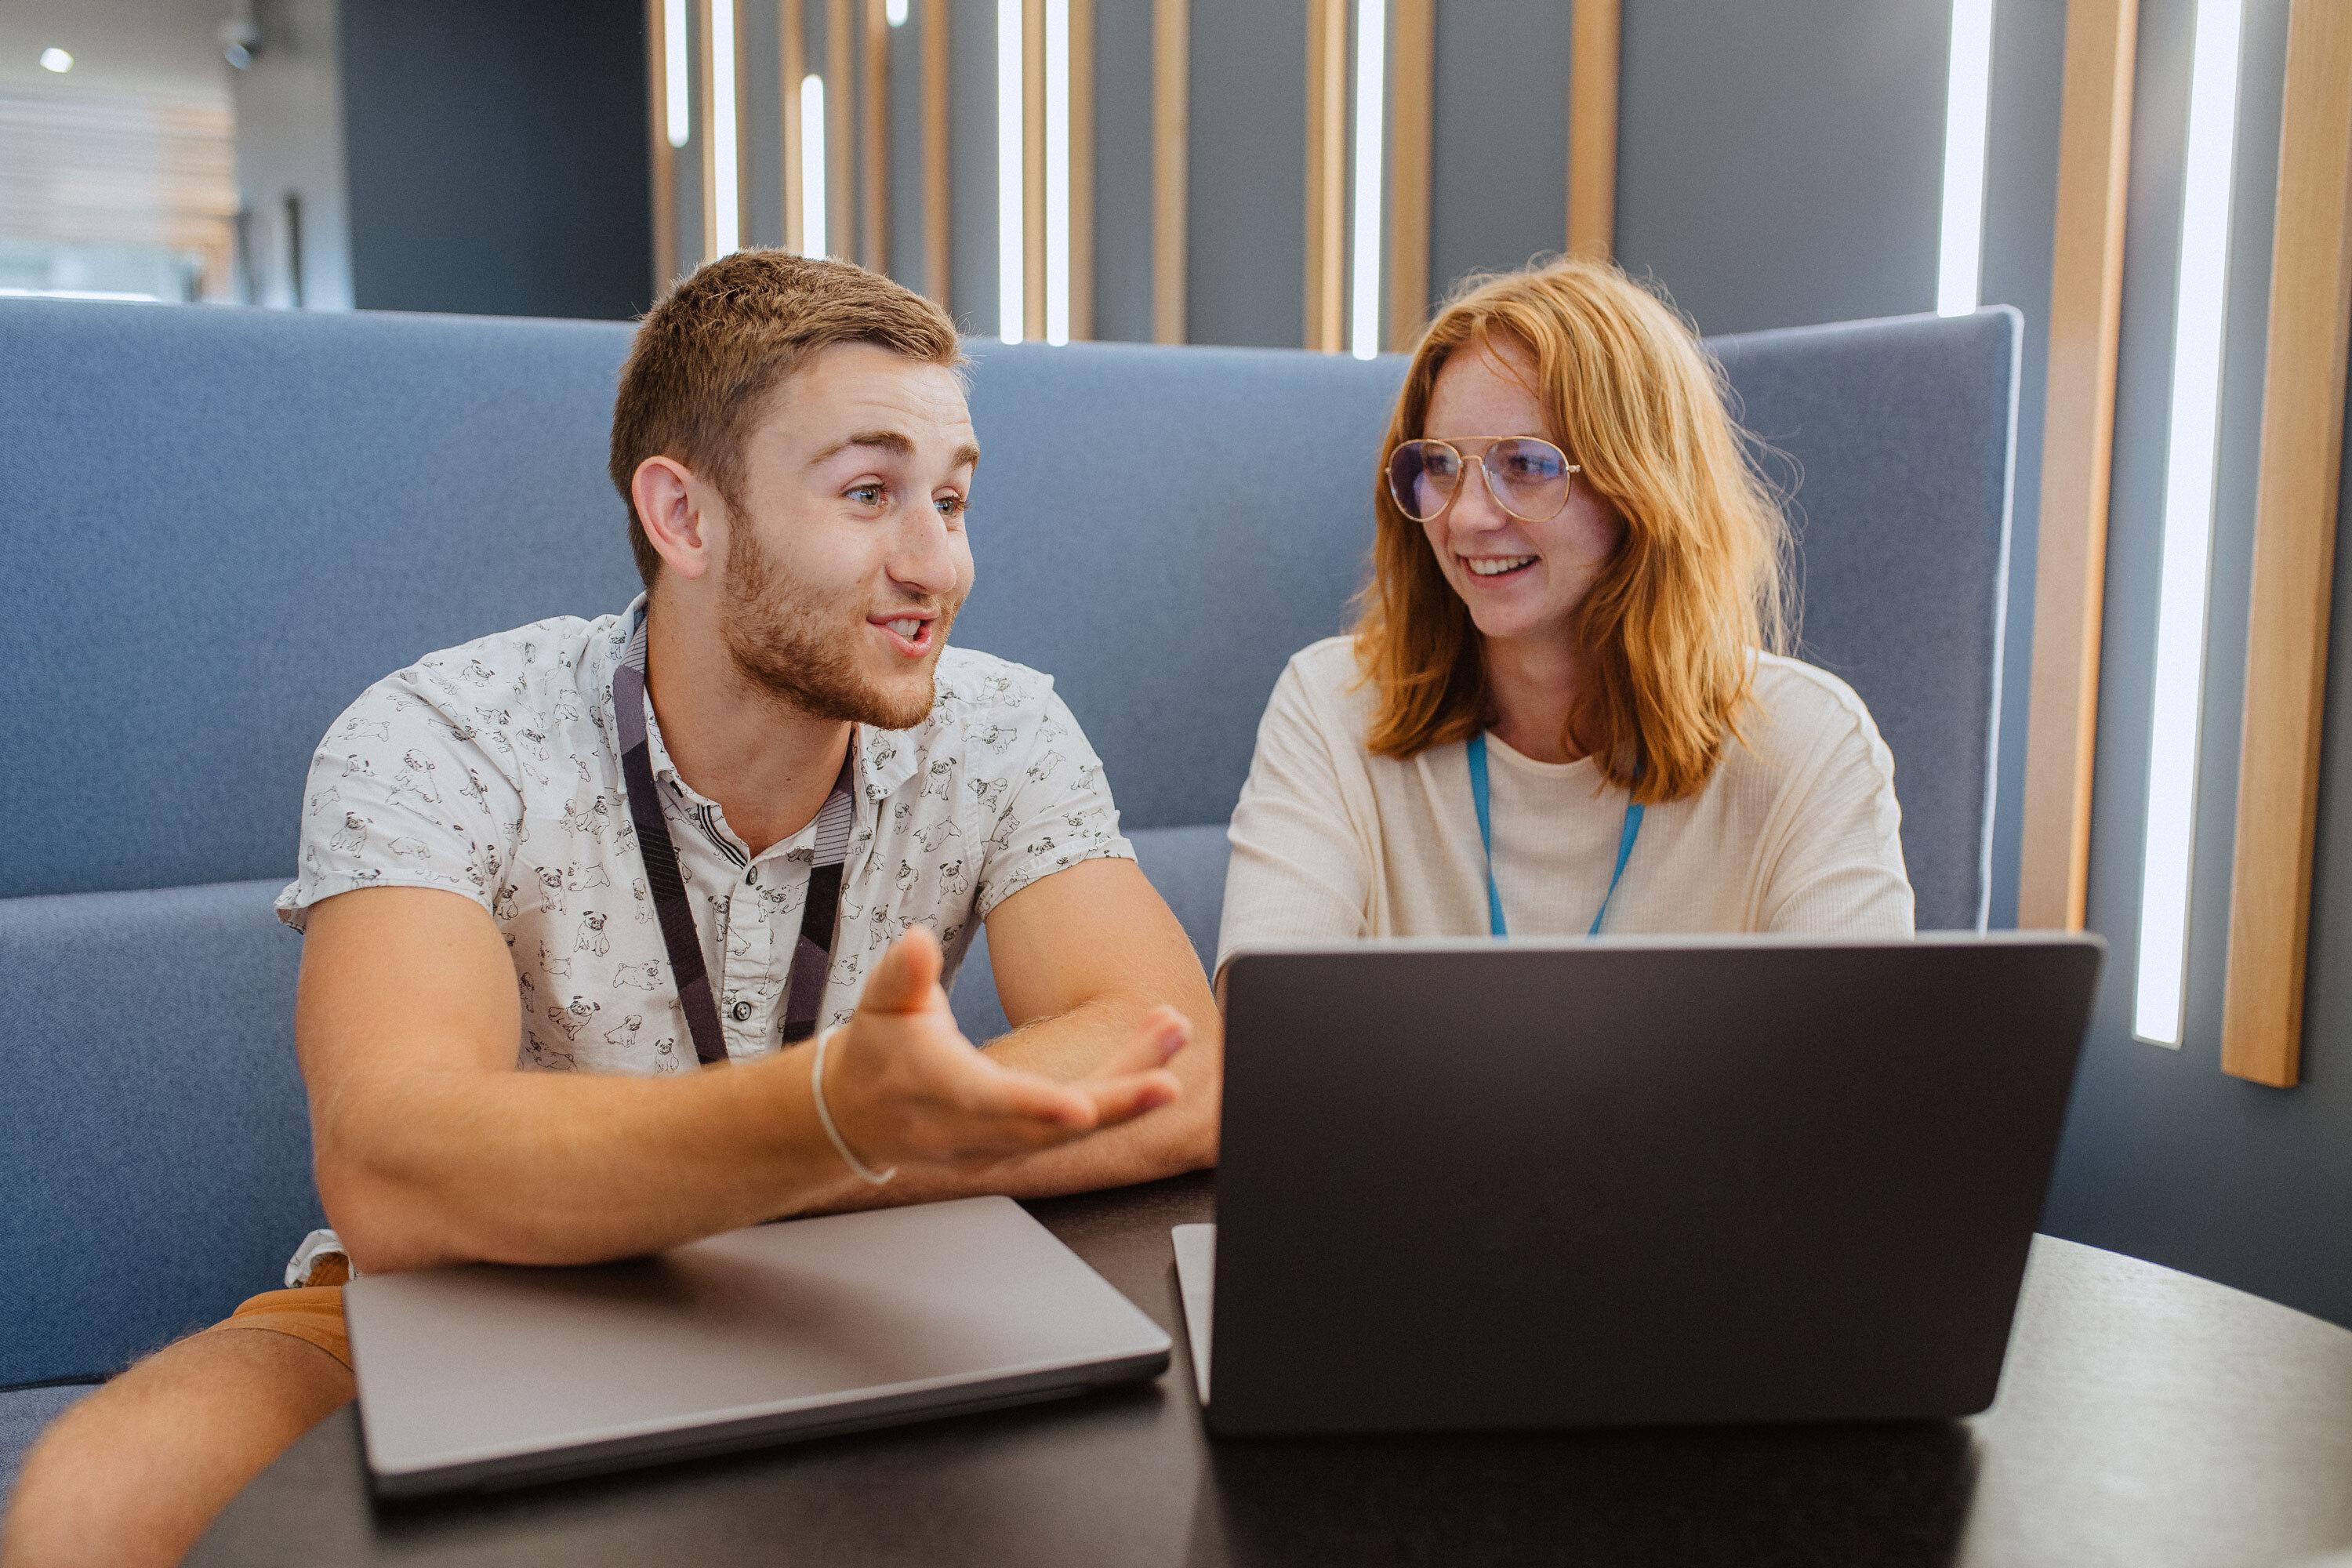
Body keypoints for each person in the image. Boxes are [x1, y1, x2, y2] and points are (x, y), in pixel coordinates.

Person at [5, 252, 1221, 1568]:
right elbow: (396, 1166)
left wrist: (809, 1165)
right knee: (98, 1502)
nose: (942, 563)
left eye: (953, 498)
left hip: (871, 1272)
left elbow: (1179, 1062)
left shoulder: (1003, 726)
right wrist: (823, 1123)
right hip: (478, 1296)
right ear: (683, 519)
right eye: (871, 494)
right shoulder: (439, 736)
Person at [1217, 258, 1912, 973]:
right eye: (1442, 466)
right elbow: (1262, 1045)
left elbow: (1856, 1071)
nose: (1469, 516)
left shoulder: (1810, 745)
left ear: (1643, 486)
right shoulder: (1333, 710)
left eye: (1526, 464)